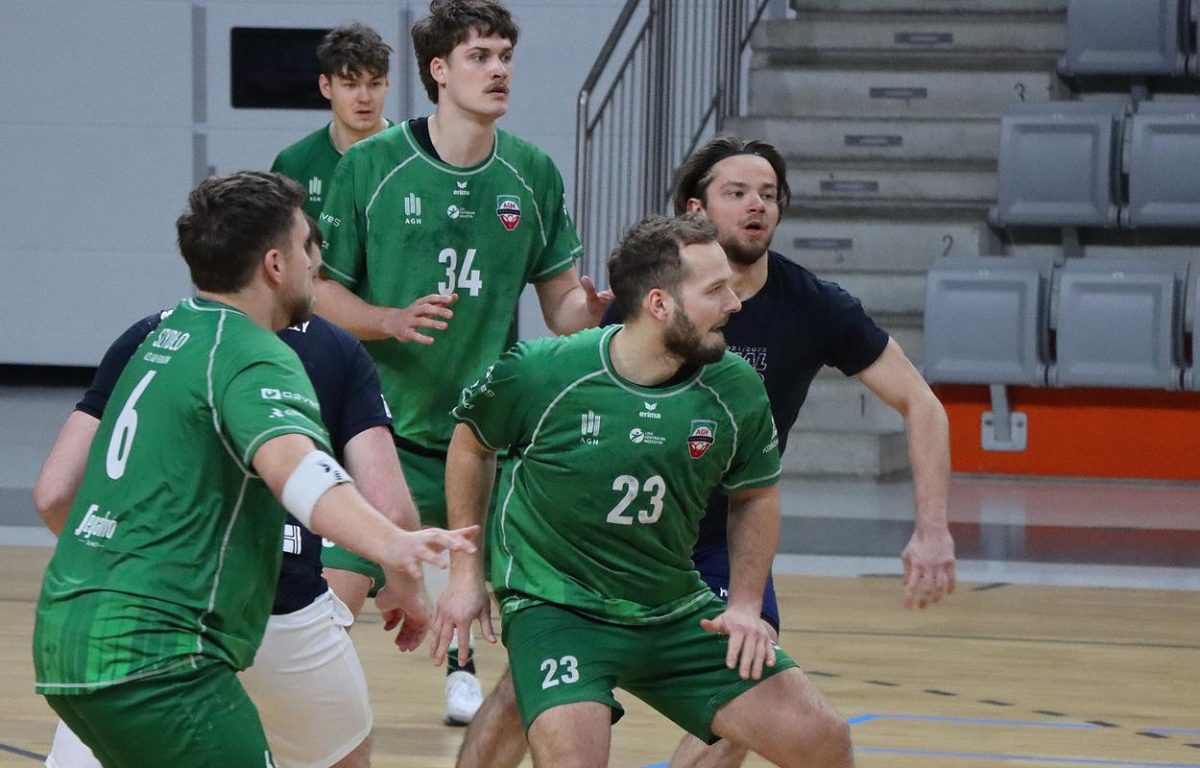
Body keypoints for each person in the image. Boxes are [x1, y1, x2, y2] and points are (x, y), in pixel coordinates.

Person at [452, 134, 957, 768]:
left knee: (757, 680)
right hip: (585, 562)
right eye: (738, 192)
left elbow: (916, 405)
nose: (757, 205)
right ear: (696, 211)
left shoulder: (798, 320)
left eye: (769, 194)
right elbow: (492, 427)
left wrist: (932, 528)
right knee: (520, 696)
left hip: (709, 548)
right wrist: (468, 571)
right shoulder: (612, 333)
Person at [31, 171, 476, 768]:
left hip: (67, 629)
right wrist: (394, 544)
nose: (316, 263)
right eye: (305, 246)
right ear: (275, 264)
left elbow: (54, 493)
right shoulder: (252, 351)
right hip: (164, 651)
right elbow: (295, 467)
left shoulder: (159, 335)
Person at [431, 213, 855, 768]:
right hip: (559, 608)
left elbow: (755, 494)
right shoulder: (541, 373)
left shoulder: (735, 388)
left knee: (824, 739)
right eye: (715, 290)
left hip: (673, 606)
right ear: (659, 304)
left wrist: (746, 605)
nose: (735, 303)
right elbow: (471, 444)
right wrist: (465, 572)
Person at [314, 0, 610, 725]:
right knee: (325, 617)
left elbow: (562, 308)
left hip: (483, 439)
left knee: (521, 608)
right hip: (381, 434)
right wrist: (388, 319)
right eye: (481, 56)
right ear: (439, 70)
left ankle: (466, 675)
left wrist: (596, 310)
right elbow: (319, 291)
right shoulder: (371, 166)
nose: (499, 69)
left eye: (506, 55)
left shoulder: (532, 172)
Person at [271, 23, 394, 221]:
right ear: (326, 86)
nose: (364, 98)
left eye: (374, 84)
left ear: (386, 84)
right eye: (350, 85)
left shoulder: (411, 157)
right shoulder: (294, 164)